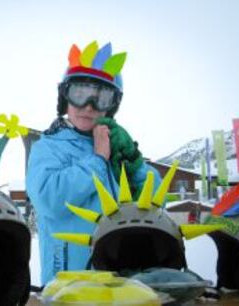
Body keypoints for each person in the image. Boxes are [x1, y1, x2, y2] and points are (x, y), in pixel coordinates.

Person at [26, 40, 162, 286]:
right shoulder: (48, 147)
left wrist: (134, 163)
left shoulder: (114, 144)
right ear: (65, 98)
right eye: (80, 93)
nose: (88, 106)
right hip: (69, 284)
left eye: (101, 97)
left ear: (111, 107)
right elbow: (49, 200)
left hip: (120, 279)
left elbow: (154, 204)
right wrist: (98, 160)